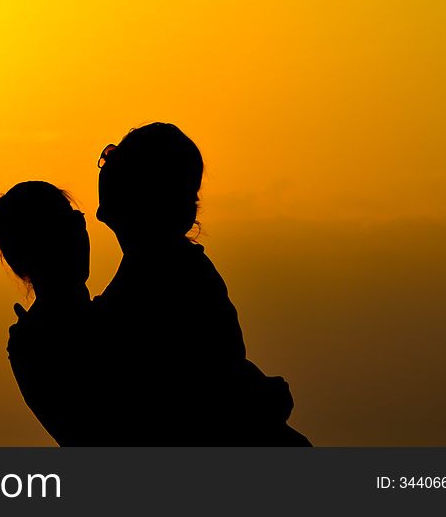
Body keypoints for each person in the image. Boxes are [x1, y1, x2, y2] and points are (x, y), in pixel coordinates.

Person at [95, 122, 310, 445]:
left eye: (115, 158)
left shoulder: (170, 277)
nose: (105, 165)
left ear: (141, 193)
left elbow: (212, 380)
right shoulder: (162, 271)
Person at [0, 181, 103, 445]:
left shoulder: (27, 344)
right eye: (59, 231)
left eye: (78, 222)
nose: (77, 235)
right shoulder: (34, 347)